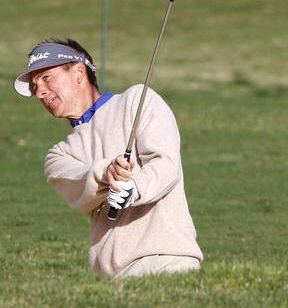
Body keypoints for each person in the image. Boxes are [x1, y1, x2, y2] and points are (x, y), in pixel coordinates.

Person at [13, 38, 203, 278]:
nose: (39, 91)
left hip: (167, 262)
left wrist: (135, 187)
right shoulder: (59, 155)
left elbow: (167, 164)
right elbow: (82, 189)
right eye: (34, 85)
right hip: (113, 278)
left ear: (79, 73)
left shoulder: (137, 100)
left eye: (46, 78)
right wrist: (107, 173)